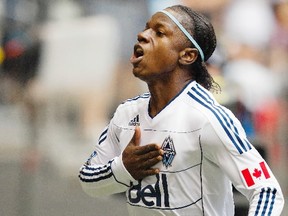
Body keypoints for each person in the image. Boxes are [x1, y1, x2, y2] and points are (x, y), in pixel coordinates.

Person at [78, 5, 284, 215]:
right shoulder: (126, 114)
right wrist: (123, 169)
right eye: (146, 28)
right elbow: (88, 180)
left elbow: (265, 189)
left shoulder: (207, 118)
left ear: (187, 55)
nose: (142, 35)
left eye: (159, 33)